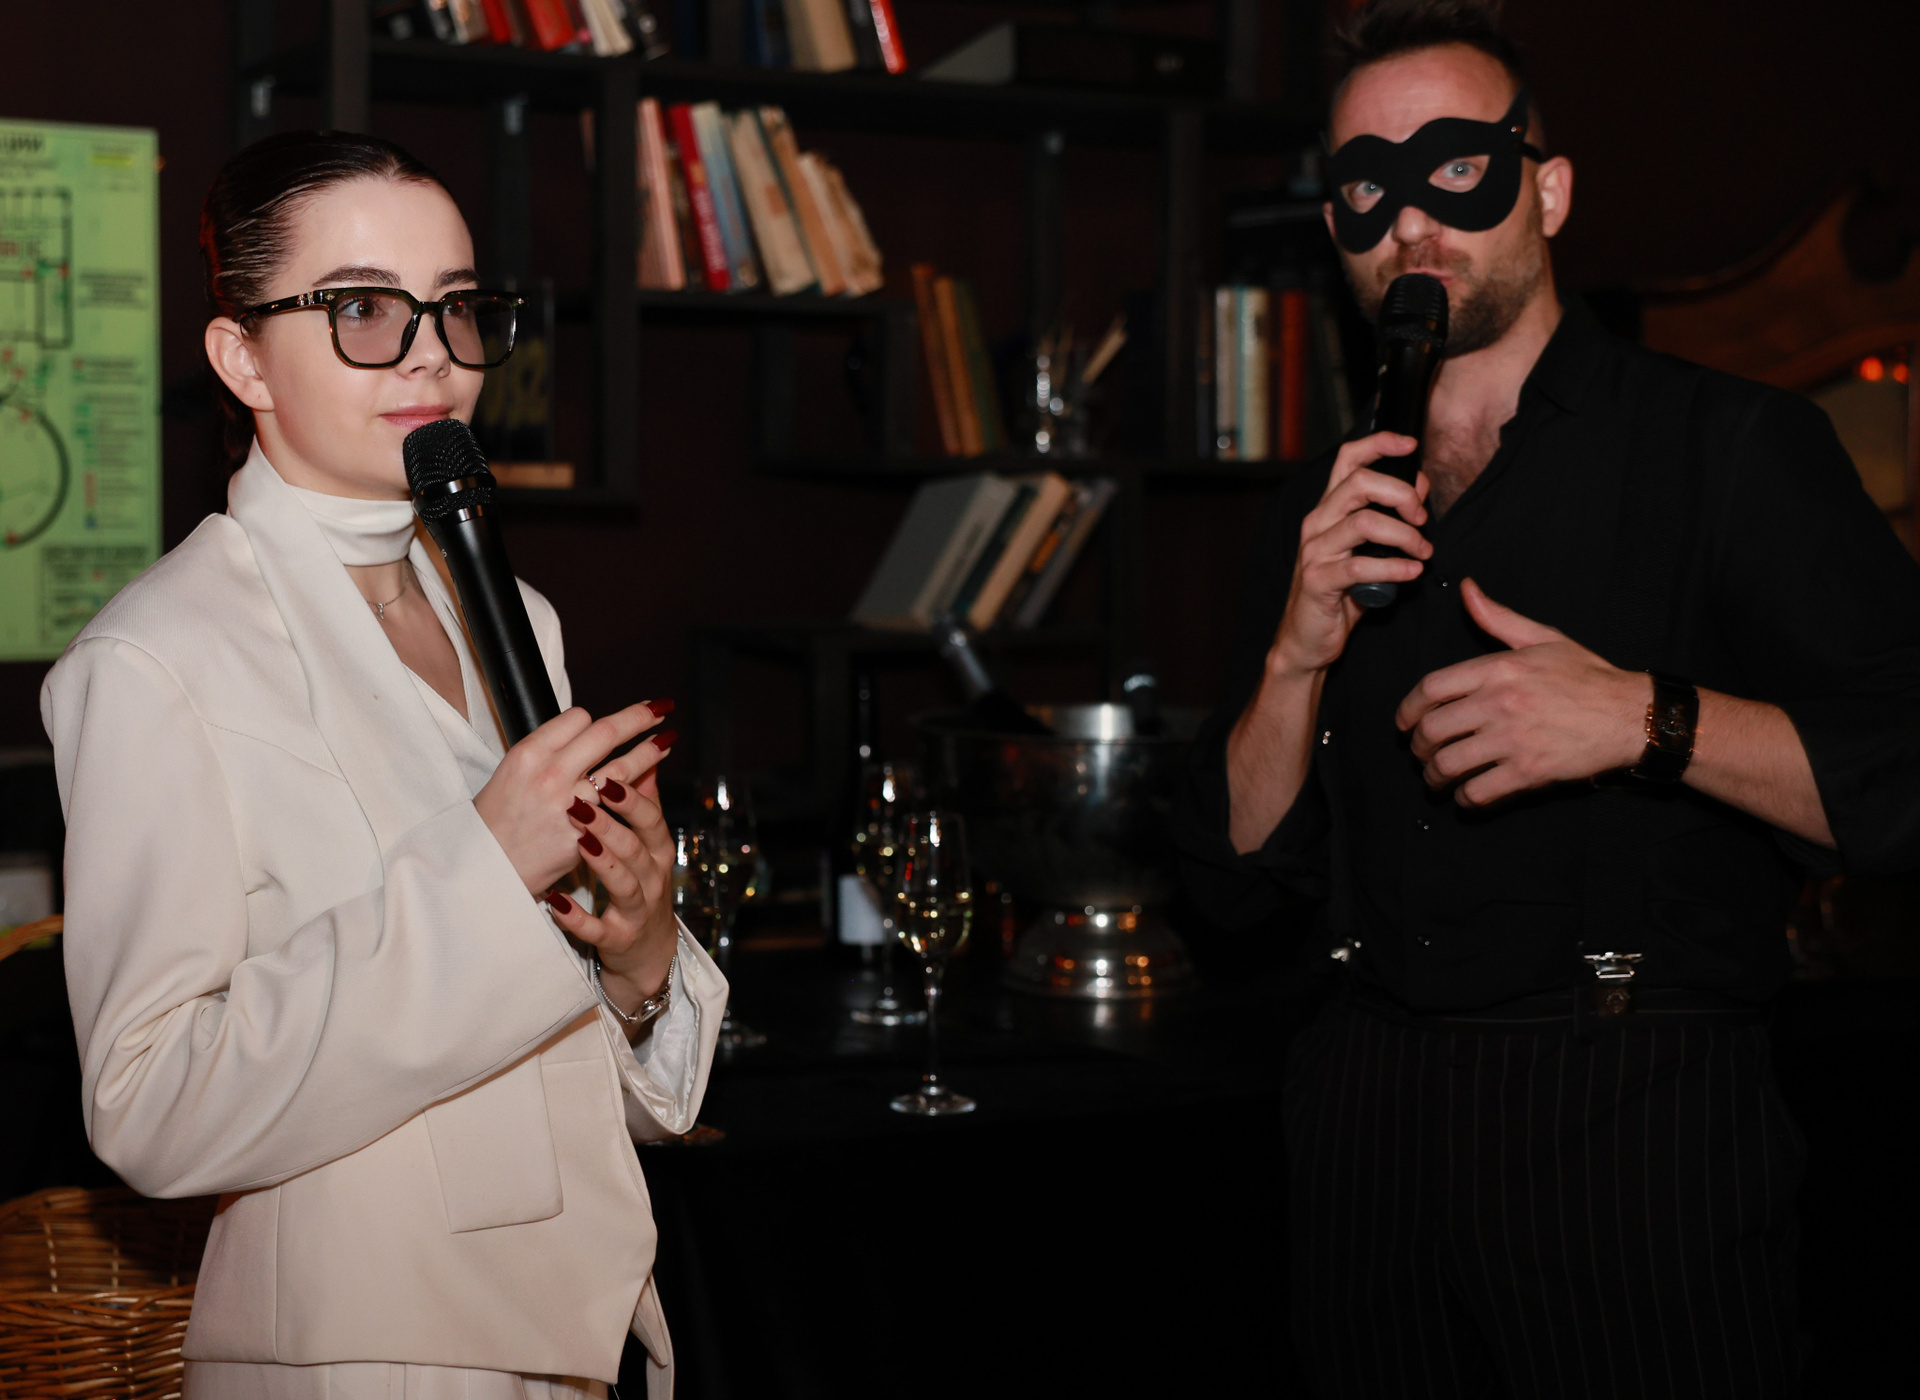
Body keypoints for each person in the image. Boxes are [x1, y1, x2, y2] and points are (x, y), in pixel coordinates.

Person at [1177, 1, 1920, 1395]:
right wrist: (1292, 657)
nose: (1413, 220)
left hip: (1628, 1125)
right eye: (1368, 187)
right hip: (1363, 1133)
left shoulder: (1730, 448)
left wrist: (1645, 720)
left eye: (1459, 168)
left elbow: (1904, 772)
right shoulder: (1320, 507)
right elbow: (1229, 889)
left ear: (1549, 190)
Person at [40, 130, 725, 1400]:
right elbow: (149, 1106)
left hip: (573, 1335)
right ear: (242, 356)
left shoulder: (516, 615)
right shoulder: (156, 656)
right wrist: (485, 866)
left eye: (456, 307)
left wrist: (637, 960)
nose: (430, 354)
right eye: (363, 308)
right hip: (358, 1351)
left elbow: (548, 1071)